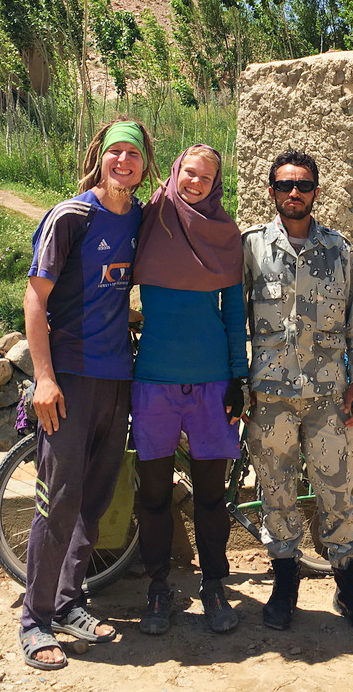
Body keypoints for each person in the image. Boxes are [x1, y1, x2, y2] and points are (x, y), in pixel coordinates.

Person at [16, 119, 158, 671]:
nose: (124, 162)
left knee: (95, 500)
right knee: (59, 501)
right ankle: (35, 619)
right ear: (100, 156)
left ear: (146, 163)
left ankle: (71, 601)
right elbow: (35, 299)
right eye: (115, 152)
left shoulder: (140, 218)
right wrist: (43, 378)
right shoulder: (71, 216)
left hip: (117, 378)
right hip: (70, 379)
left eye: (134, 154)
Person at [242, 149, 353, 634]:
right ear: (273, 192)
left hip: (328, 397)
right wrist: (241, 386)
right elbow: (235, 320)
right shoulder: (252, 248)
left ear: (316, 192)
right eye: (284, 185)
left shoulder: (339, 249)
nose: (293, 193)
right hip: (270, 397)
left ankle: (349, 587)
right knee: (276, 493)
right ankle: (284, 585)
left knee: (337, 493)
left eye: (302, 185)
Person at [130, 144, 248, 635]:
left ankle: (214, 585)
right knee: (153, 492)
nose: (196, 184)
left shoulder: (226, 234)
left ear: (217, 184)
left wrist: (238, 379)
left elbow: (234, 311)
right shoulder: (150, 222)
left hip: (211, 382)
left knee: (210, 495)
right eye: (190, 174)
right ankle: (159, 587)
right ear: (177, 171)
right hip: (154, 379)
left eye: (206, 178)